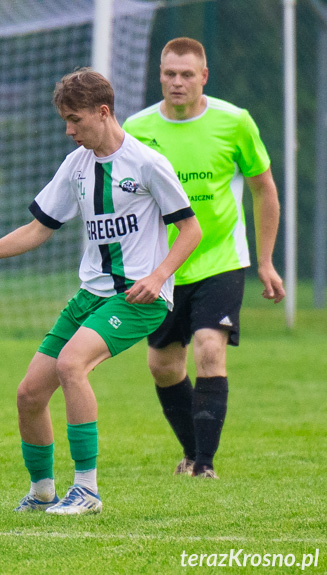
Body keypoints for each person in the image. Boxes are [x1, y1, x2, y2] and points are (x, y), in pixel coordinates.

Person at [0, 68, 202, 515]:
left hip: (137, 299)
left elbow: (190, 229)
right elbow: (38, 228)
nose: (69, 130)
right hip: (89, 297)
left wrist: (158, 275)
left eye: (75, 120)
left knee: (72, 365)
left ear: (102, 112)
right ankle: (43, 491)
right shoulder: (77, 165)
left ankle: (87, 491)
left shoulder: (147, 164)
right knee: (29, 394)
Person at [123, 38, 285, 479]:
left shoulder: (235, 122)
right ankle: (194, 454)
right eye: (169, 74)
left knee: (210, 350)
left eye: (187, 74)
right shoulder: (135, 129)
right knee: (162, 366)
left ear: (204, 77)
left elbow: (263, 189)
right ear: (160, 74)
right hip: (162, 267)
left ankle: (204, 466)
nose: (177, 82)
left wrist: (266, 261)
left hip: (220, 259)